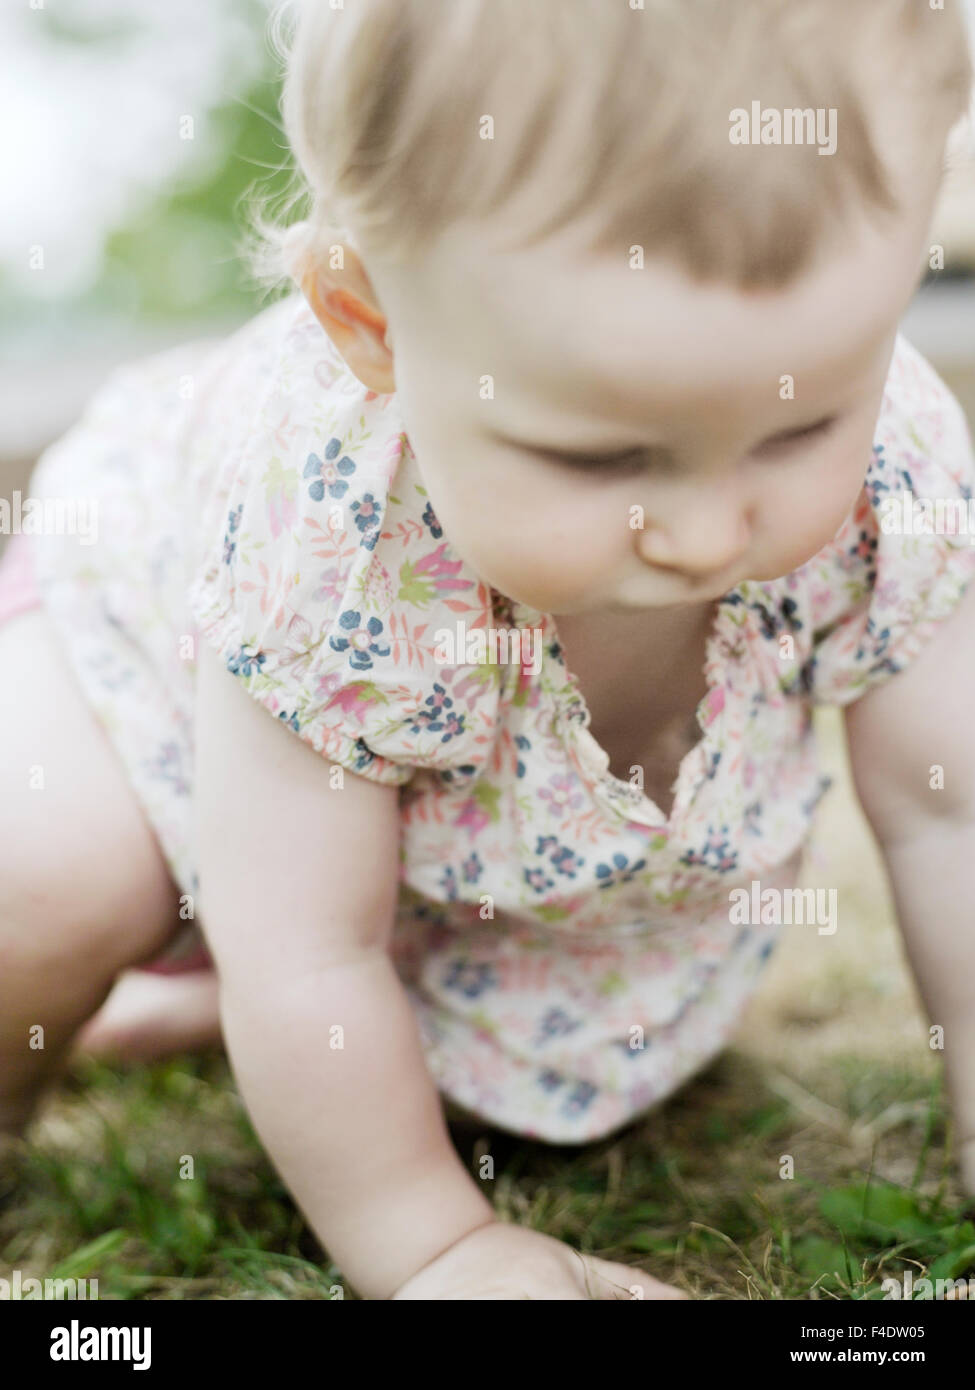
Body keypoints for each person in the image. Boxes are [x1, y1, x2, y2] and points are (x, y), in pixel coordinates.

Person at [2, 0, 975, 1299]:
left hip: (481, 862)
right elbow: (310, 949)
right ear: (371, 325)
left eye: (800, 425)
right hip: (146, 646)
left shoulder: (894, 468)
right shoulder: (337, 533)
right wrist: (435, 1246)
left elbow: (949, 819)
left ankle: (202, 990)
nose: (699, 530)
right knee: (54, 877)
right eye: (607, 456)